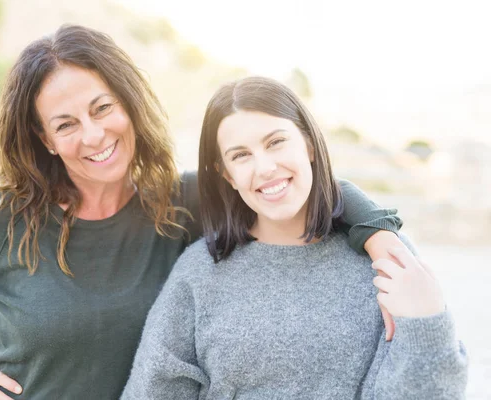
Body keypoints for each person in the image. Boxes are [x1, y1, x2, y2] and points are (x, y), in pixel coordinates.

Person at [0, 26, 403, 400]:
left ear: (130, 104)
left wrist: (381, 240)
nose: (93, 136)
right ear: (44, 139)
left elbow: (303, 186)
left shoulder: (184, 202)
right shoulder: (4, 220)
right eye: (65, 124)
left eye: (102, 108)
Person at [121, 76, 468, 399]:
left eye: (276, 142)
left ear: (309, 145)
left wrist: (427, 319)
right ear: (226, 174)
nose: (265, 167)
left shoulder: (384, 259)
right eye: (241, 155)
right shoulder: (199, 271)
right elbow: (154, 390)